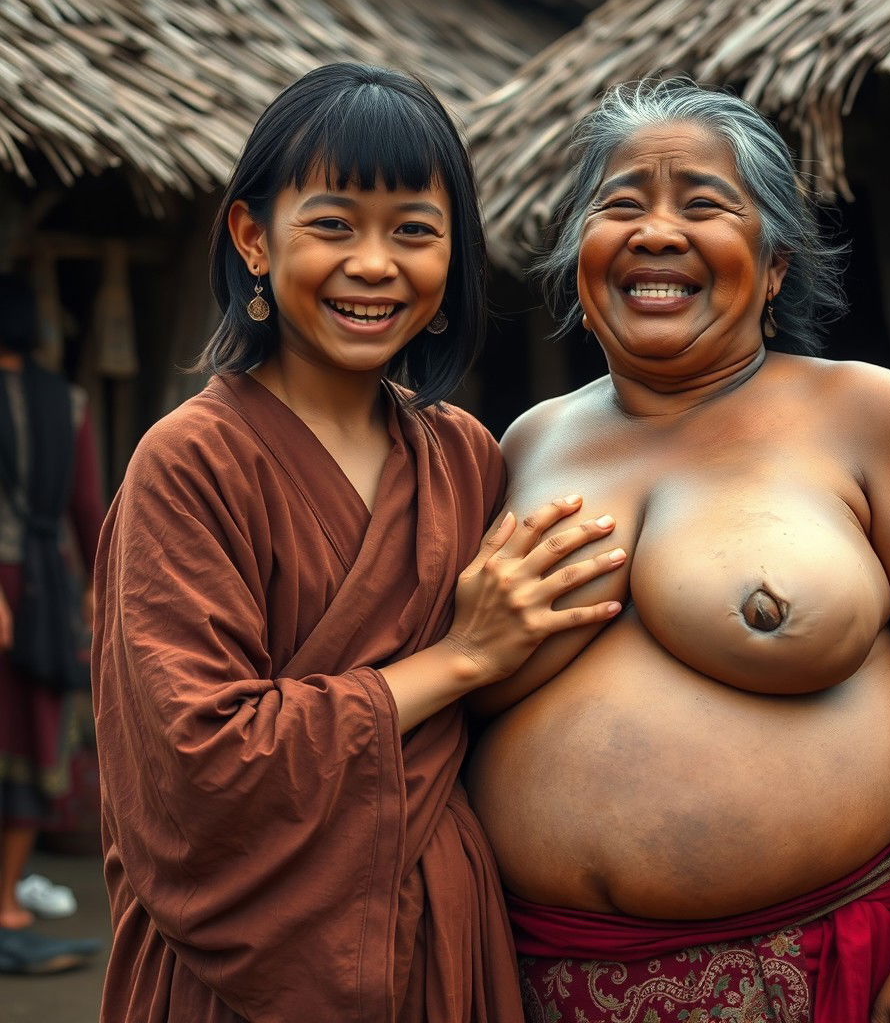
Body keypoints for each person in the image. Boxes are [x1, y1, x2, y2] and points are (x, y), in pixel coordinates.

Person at [466, 78, 890, 1023]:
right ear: (579, 259)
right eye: (621, 204)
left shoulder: (864, 414)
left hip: (822, 975)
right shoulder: (522, 446)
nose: (656, 231)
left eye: (704, 205)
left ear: (772, 266)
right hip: (542, 983)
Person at [92, 63, 626, 1022]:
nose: (375, 265)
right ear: (253, 238)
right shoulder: (191, 463)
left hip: (442, 944)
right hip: (242, 970)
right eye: (333, 225)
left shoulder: (463, 457)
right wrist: (461, 658)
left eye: (414, 231)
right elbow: (201, 762)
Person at [0, 271, 104, 973]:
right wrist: (95, 589)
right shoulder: (68, 403)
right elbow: (90, 511)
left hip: (12, 584)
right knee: (33, 731)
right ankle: (7, 900)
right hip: (48, 590)